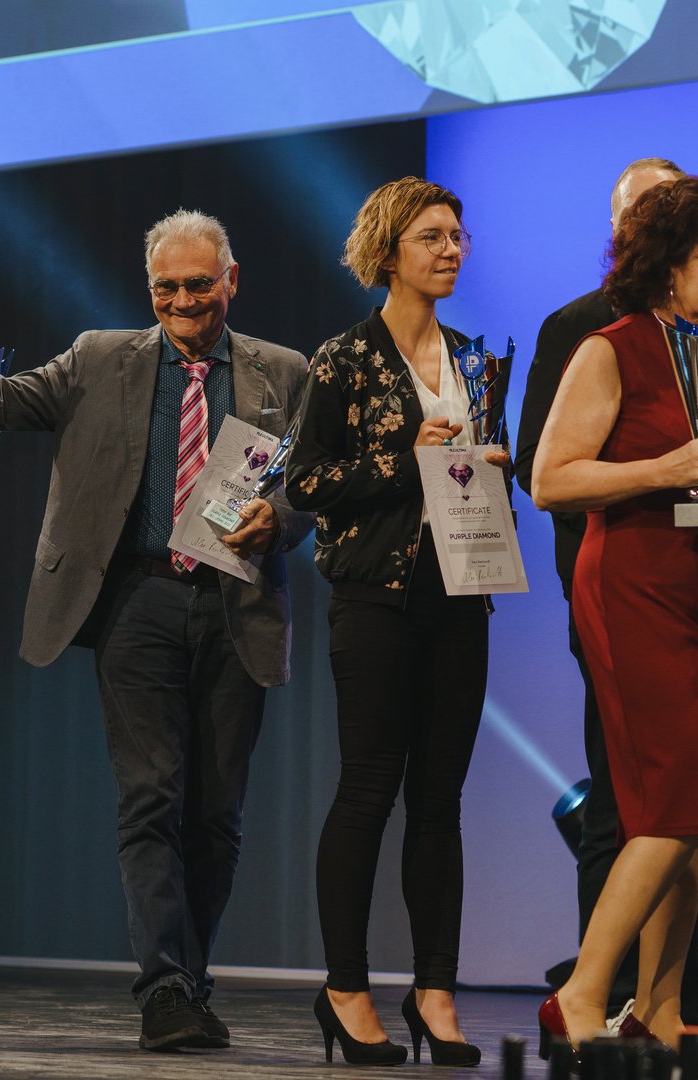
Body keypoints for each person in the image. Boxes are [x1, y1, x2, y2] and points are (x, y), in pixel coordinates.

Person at [0, 210, 314, 1051]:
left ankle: (191, 978)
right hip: (137, 602)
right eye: (167, 287)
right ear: (148, 289)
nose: (184, 301)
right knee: (151, 797)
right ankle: (163, 988)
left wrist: (282, 519)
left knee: (217, 817)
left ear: (231, 280)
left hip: (235, 602)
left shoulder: (283, 371)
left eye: (199, 284)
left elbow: (310, 478)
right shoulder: (98, 357)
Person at [515, 158, 698, 1073]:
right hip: (637, 590)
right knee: (669, 808)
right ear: (669, 263)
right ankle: (581, 995)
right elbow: (551, 478)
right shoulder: (611, 347)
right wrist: (665, 468)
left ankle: (663, 1011)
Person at [286, 176, 508, 1068]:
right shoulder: (343, 358)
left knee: (440, 801)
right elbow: (305, 482)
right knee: (369, 789)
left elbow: (478, 473)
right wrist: (402, 460)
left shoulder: (475, 360)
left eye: (458, 236)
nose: (451, 250)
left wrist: (496, 469)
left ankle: (435, 990)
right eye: (432, 237)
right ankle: (346, 989)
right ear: (388, 253)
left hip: (462, 595)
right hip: (374, 600)